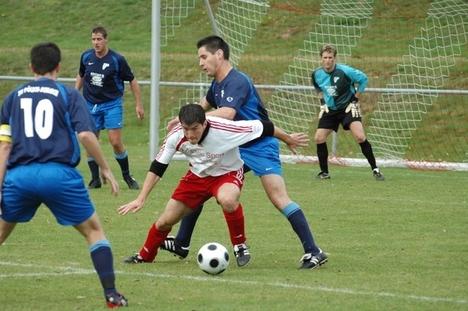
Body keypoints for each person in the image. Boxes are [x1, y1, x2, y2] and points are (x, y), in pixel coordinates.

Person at [163, 35, 327, 269]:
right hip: (236, 148)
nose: (200, 62)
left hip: (260, 145)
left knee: (279, 198)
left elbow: (228, 113)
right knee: (201, 178)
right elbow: (201, 107)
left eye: (203, 56)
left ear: (219, 55)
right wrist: (182, 119)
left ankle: (314, 251)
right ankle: (181, 243)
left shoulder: (237, 81)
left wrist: (191, 122)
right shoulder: (217, 84)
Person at [0, 42, 128, 308]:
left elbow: (4, 146)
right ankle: (112, 295)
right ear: (58, 67)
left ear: (31, 67)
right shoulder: (68, 95)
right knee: (94, 231)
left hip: (19, 177)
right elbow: (84, 134)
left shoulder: (13, 97)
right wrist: (104, 167)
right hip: (59, 176)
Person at [119, 104, 307, 267]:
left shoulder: (226, 128)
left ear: (205, 123)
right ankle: (144, 256)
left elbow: (265, 126)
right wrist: (141, 198)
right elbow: (158, 167)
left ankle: (240, 245)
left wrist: (288, 139)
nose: (190, 134)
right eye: (186, 129)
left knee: (228, 199)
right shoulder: (176, 136)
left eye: (194, 129)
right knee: (165, 221)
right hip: (196, 178)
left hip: (227, 173)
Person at [75, 25, 144, 190]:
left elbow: (132, 81)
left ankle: (127, 176)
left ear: (106, 40)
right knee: (90, 140)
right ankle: (95, 179)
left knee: (115, 142)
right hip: (90, 104)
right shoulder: (86, 57)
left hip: (112, 104)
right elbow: (81, 75)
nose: (96, 42)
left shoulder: (116, 60)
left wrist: (138, 104)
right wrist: (74, 94)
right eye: (93, 39)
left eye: (99, 39)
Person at [311, 44, 384, 181]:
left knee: (360, 137)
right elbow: (318, 89)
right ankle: (324, 172)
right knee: (319, 138)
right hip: (331, 110)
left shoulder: (345, 71)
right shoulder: (316, 74)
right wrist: (322, 104)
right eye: (325, 57)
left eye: (330, 57)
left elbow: (363, 79)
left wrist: (355, 99)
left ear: (335, 58)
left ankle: (375, 169)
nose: (328, 60)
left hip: (347, 108)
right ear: (321, 58)